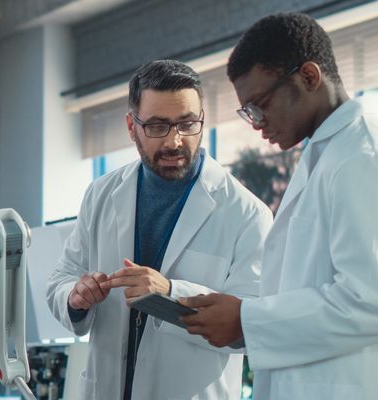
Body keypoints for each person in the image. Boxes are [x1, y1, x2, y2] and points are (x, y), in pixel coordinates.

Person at [179, 12, 378, 400]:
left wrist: (246, 319)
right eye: (247, 111)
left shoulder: (366, 159)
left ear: (309, 77)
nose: (255, 122)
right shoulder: (327, 154)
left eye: (261, 104)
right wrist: (246, 316)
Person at [44, 60, 272, 400]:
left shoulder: (245, 213)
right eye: (157, 126)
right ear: (131, 126)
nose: (174, 141)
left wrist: (170, 292)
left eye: (186, 124)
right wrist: (75, 297)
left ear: (202, 121)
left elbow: (249, 327)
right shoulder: (102, 193)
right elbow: (61, 279)